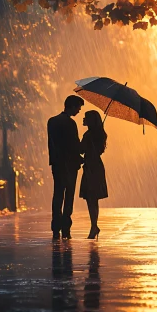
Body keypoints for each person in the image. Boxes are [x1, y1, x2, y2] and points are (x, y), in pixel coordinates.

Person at [47, 95, 85, 239]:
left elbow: (52, 144)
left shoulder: (52, 122)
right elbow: (75, 146)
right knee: (69, 196)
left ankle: (56, 226)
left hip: (57, 164)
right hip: (70, 165)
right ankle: (66, 226)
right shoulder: (70, 124)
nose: (79, 111)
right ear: (73, 107)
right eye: (78, 108)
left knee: (58, 195)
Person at [79, 110, 108, 239]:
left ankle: (94, 226)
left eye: (86, 117)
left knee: (91, 198)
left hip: (91, 167)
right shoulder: (100, 135)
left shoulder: (89, 135)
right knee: (93, 198)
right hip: (96, 165)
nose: (83, 119)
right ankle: (94, 225)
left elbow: (81, 149)